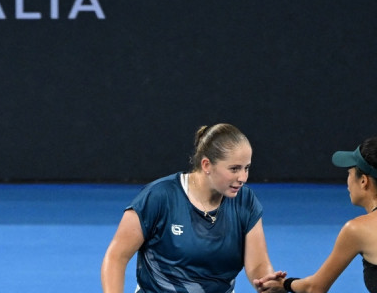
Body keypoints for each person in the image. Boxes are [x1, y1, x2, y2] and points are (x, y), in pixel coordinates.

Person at [101, 123, 277, 293]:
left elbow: (258, 265)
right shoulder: (159, 196)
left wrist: (269, 282)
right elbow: (116, 257)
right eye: (234, 169)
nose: (243, 177)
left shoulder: (245, 201)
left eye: (246, 168)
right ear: (206, 165)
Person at [253, 138, 377, 293]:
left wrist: (284, 285)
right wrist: (286, 284)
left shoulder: (356, 229)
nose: (347, 181)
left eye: (349, 173)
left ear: (363, 181)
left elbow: (315, 288)